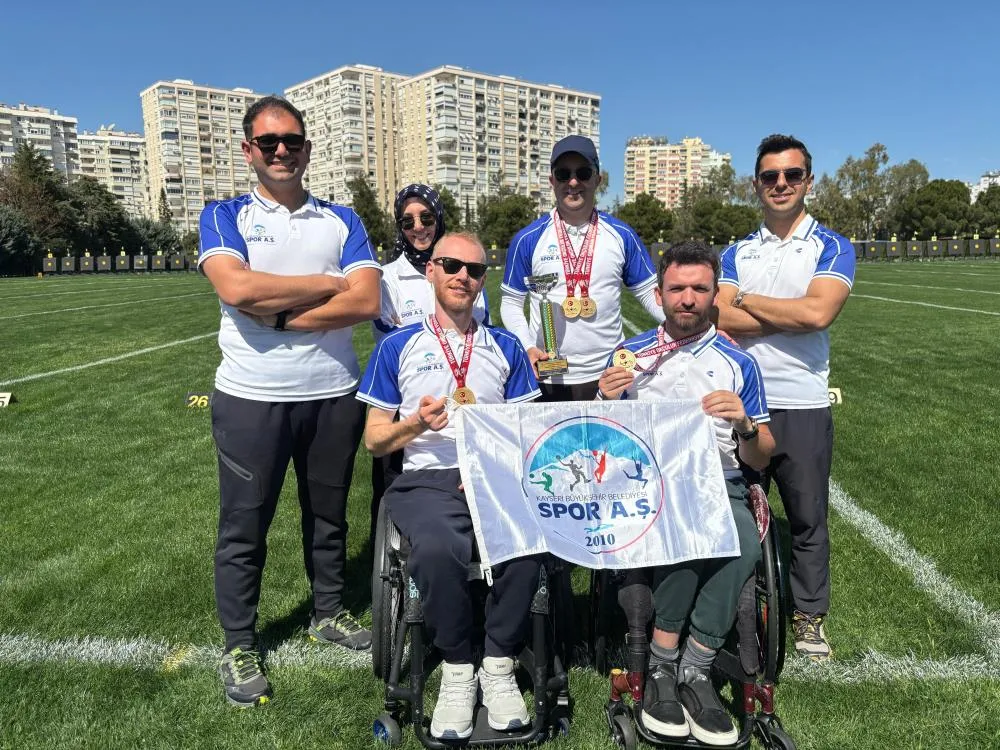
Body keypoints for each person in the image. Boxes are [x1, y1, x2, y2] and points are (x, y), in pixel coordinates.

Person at [198, 95, 380, 708]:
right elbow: (237, 287)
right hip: (251, 398)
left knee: (329, 516)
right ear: (248, 149)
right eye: (269, 142)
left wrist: (282, 318)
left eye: (292, 141)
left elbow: (366, 301)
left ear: (307, 148)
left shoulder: (342, 220)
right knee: (244, 525)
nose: (282, 151)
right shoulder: (224, 214)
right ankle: (239, 643)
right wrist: (326, 284)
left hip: (333, 394)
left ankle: (327, 612)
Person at [357, 232, 541, 740]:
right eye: (452, 265)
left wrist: (490, 468)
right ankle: (459, 668)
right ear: (431, 271)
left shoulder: (505, 346)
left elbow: (526, 433)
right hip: (425, 478)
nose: (463, 276)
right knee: (439, 549)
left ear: (483, 280)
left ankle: (498, 664)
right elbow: (374, 440)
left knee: (528, 542)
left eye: (474, 270)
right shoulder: (397, 345)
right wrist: (416, 424)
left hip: (494, 474)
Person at [597, 240, 775, 746]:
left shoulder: (738, 363)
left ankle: (693, 665)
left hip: (720, 480)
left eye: (699, 288)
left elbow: (763, 454)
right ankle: (662, 664)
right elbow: (597, 442)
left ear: (715, 295)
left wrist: (744, 423)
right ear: (659, 295)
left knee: (743, 542)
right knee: (686, 524)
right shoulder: (630, 356)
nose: (688, 298)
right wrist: (603, 397)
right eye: (677, 288)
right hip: (645, 486)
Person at [715, 134, 855, 661]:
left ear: (808, 182)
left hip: (803, 401)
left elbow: (818, 313)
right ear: (756, 184)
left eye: (792, 175)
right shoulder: (736, 251)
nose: (781, 184)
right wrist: (788, 311)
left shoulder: (832, 245)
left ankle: (809, 617)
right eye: (770, 176)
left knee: (806, 517)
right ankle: (735, 607)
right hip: (742, 402)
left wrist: (749, 302)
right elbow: (719, 315)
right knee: (734, 512)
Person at [501, 135, 665, 401]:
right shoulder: (528, 239)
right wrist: (528, 346)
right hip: (547, 375)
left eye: (583, 173)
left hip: (609, 374)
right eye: (563, 174)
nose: (573, 182)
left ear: (598, 179)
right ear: (552, 180)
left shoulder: (622, 235)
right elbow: (511, 302)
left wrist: (691, 331)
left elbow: (650, 294)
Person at [368, 184, 489, 543]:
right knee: (393, 484)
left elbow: (479, 326)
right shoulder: (388, 277)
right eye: (407, 221)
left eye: (426, 217)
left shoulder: (468, 271)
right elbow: (388, 339)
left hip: (463, 392)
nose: (418, 227)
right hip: (408, 392)